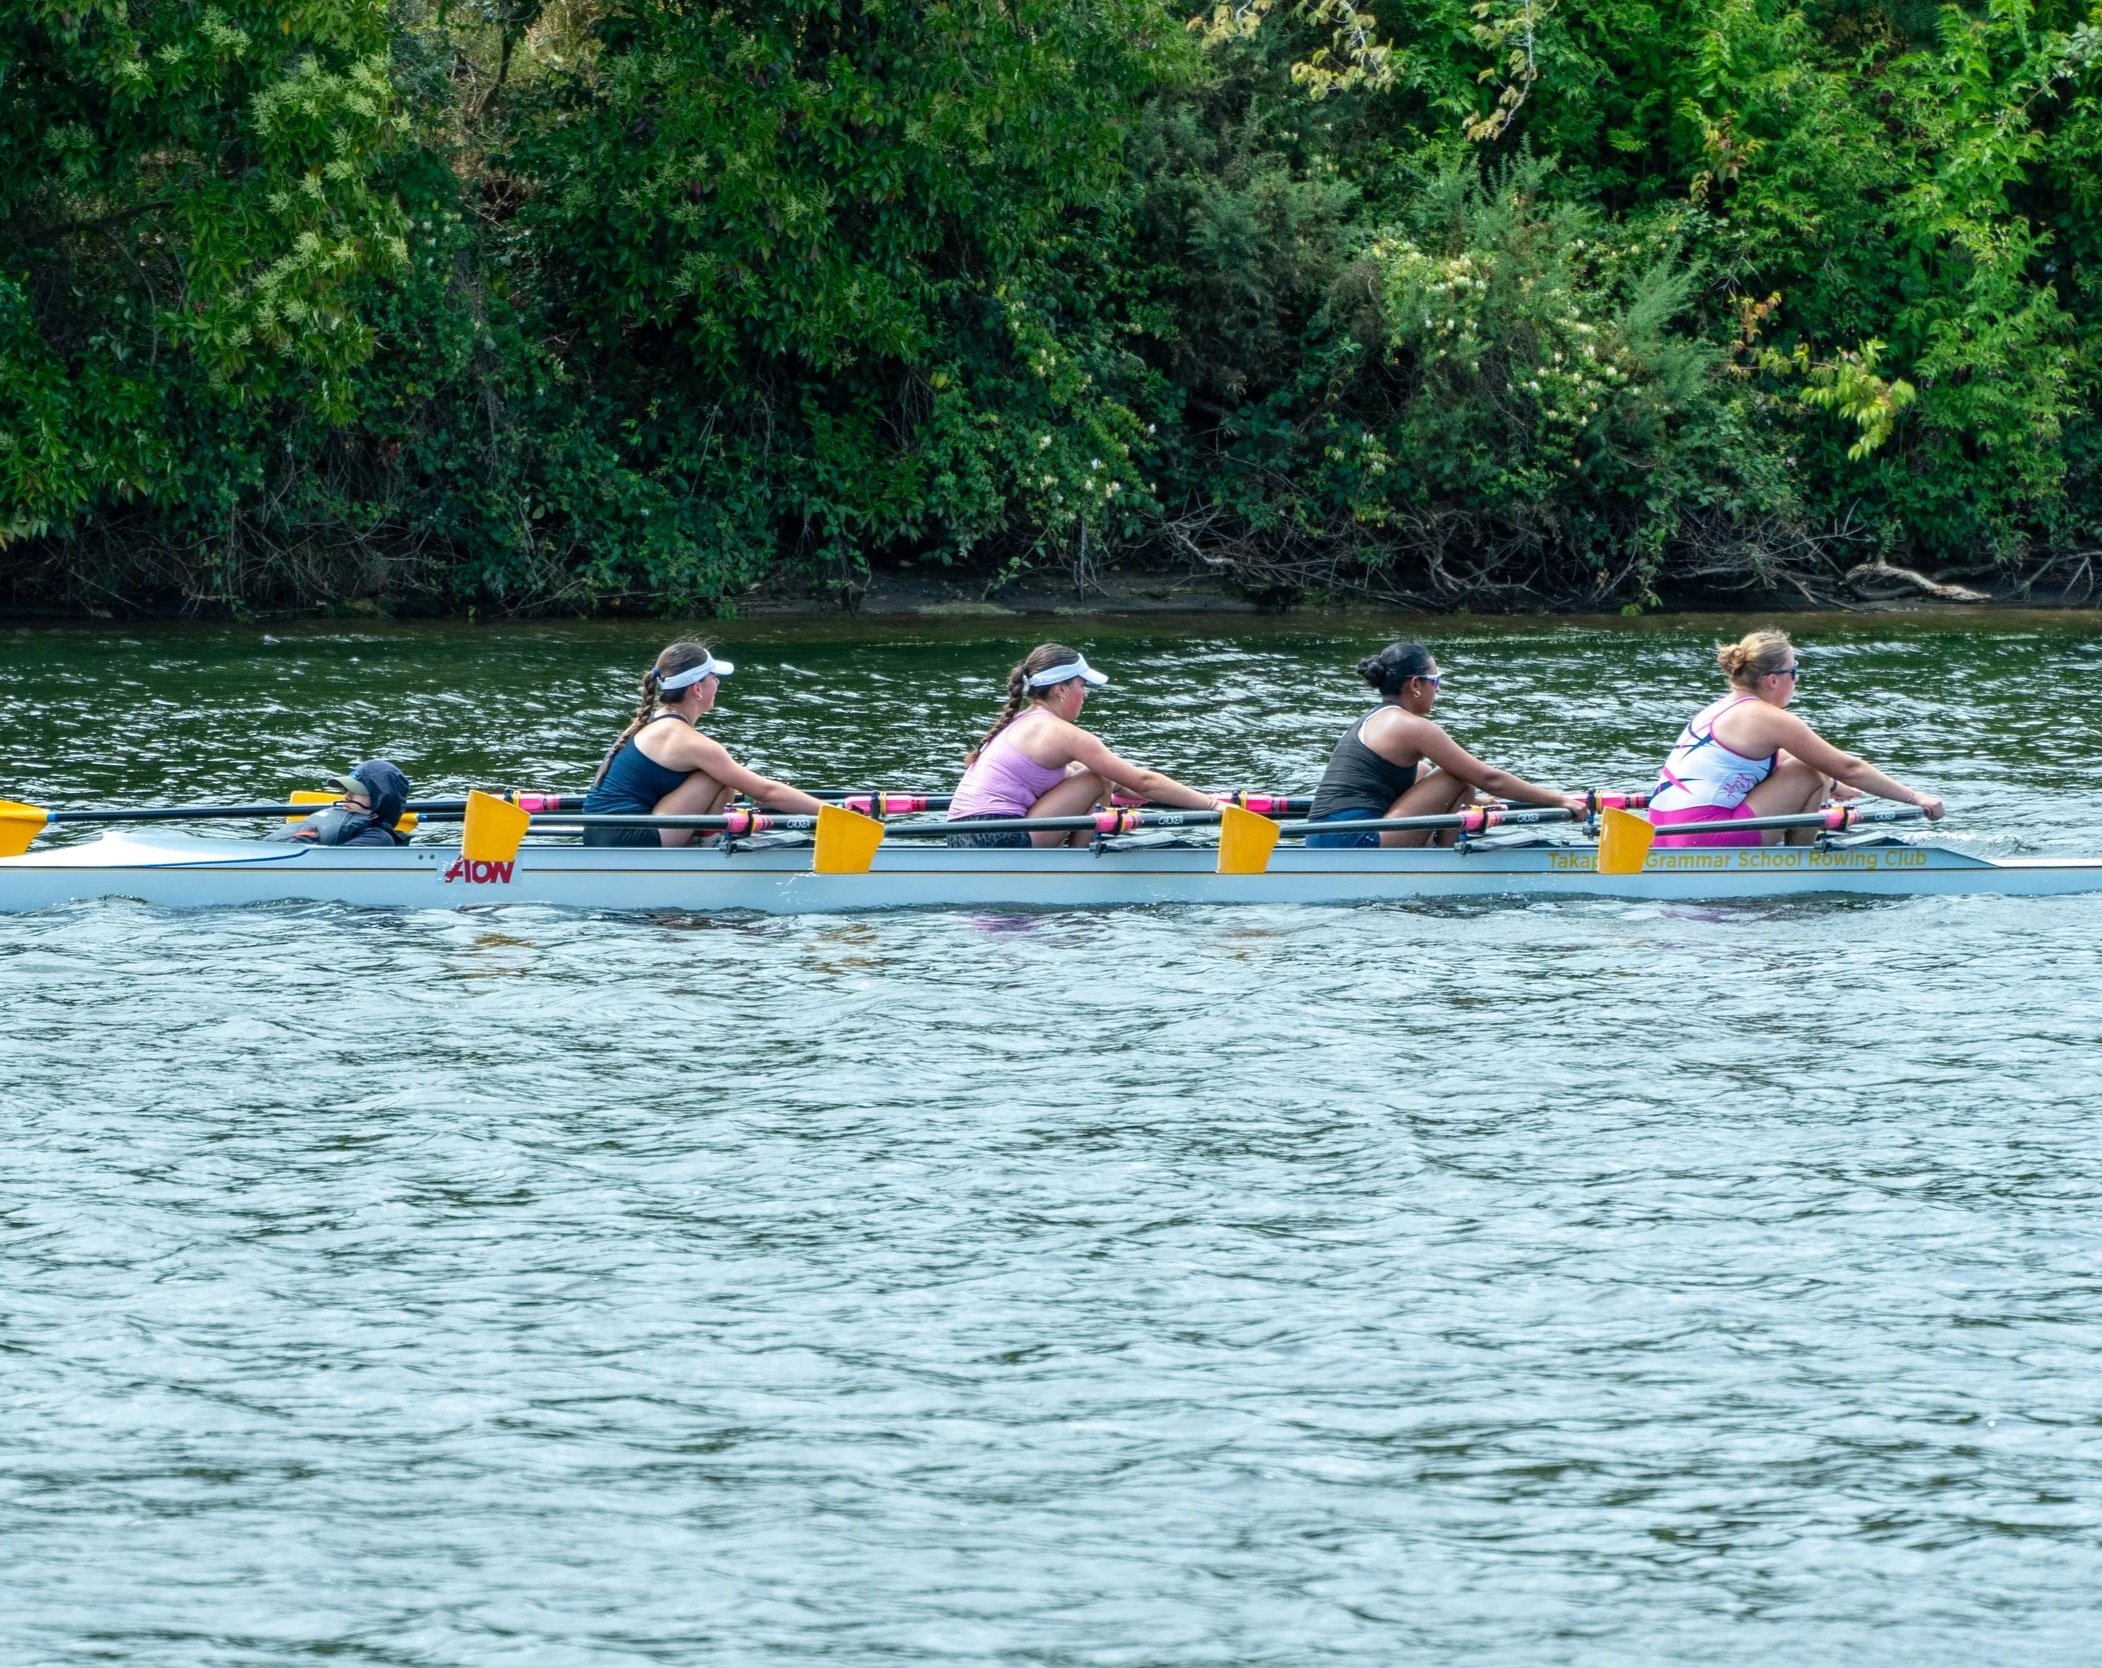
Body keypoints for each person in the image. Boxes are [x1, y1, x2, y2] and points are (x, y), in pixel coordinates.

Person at [1650, 628, 1945, 847]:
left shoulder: (1718, 710)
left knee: (1813, 771)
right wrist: (1915, 797)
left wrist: (1833, 786)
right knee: (1811, 770)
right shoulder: (1766, 717)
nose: (1798, 679)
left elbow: (1780, 761)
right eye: (1795, 671)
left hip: (1666, 834)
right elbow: (1849, 768)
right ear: (1773, 679)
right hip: (1706, 837)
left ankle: (1792, 850)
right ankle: (1801, 861)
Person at [1305, 642, 1589, 848]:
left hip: (1323, 836)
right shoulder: (1410, 726)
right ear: (1415, 684)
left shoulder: (1377, 718)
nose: (1438, 689)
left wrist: (1470, 802)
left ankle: (1443, 848)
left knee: (1425, 771)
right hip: (1354, 839)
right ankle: (1449, 861)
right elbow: (1490, 779)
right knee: (1456, 776)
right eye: (1435, 680)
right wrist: (1559, 800)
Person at [946, 643, 1228, 848]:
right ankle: (1085, 860)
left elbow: (1127, 785)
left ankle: (1086, 850)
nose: (1086, 695)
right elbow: (1143, 782)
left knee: (1099, 777)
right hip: (999, 839)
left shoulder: (1022, 721)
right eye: (1083, 685)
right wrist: (1213, 805)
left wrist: (1185, 795)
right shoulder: (1058, 731)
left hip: (963, 836)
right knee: (1098, 776)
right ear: (1061, 689)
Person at [581, 642, 825, 847]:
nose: (717, 683)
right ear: (698, 689)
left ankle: (707, 841)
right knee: (720, 774)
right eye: (714, 678)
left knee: (724, 775)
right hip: (627, 839)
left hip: (600, 835)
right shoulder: (683, 738)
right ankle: (710, 848)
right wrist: (834, 813)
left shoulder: (654, 721)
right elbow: (767, 792)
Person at [267, 760, 413, 847]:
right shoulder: (339, 819)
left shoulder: (379, 839)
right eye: (346, 789)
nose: (347, 796)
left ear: (381, 800)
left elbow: (325, 868)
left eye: (357, 791)